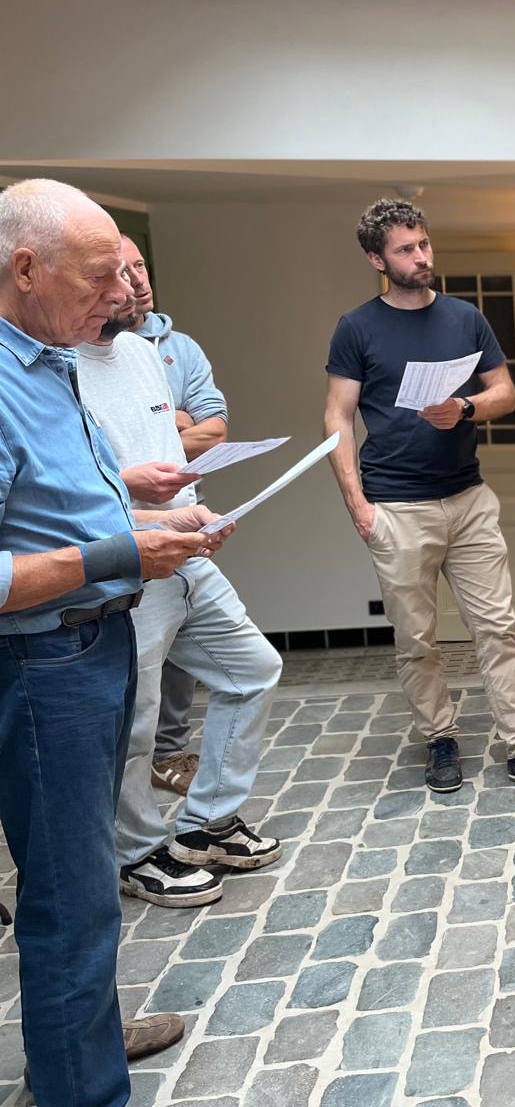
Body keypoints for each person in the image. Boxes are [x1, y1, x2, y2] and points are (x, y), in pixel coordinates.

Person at [0, 179, 222, 1105]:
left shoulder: (49, 361)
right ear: (25, 268)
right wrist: (121, 550)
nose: (122, 293)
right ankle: (82, 1085)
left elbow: (43, 505)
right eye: (99, 276)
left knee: (81, 889)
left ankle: (82, 1046)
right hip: (43, 666)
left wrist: (144, 510)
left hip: (90, 648)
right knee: (72, 901)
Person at [325, 198, 515, 796]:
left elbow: (505, 393)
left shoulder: (466, 318)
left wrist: (465, 406)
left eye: (424, 244)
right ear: (377, 260)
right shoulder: (356, 327)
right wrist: (358, 506)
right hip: (396, 507)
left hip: (468, 499)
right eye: (405, 250)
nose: (421, 257)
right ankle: (439, 738)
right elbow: (337, 417)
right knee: (417, 640)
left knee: (499, 629)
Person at [77, 293, 283, 908]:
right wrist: (137, 497)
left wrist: (191, 515)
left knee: (253, 670)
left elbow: (173, 446)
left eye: (133, 270)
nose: (127, 287)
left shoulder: (146, 353)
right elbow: (69, 491)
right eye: (109, 274)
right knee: (135, 720)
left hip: (186, 551)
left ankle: (206, 826)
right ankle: (135, 854)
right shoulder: (56, 364)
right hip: (128, 560)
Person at [122, 233, 230, 797]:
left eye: (140, 265)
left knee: (194, 651)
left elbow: (216, 429)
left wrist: (168, 431)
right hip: (119, 527)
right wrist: (177, 423)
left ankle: (170, 754)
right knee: (140, 666)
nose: (136, 279)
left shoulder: (177, 348)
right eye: (121, 269)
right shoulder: (78, 353)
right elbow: (103, 450)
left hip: (186, 515)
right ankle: (134, 793)